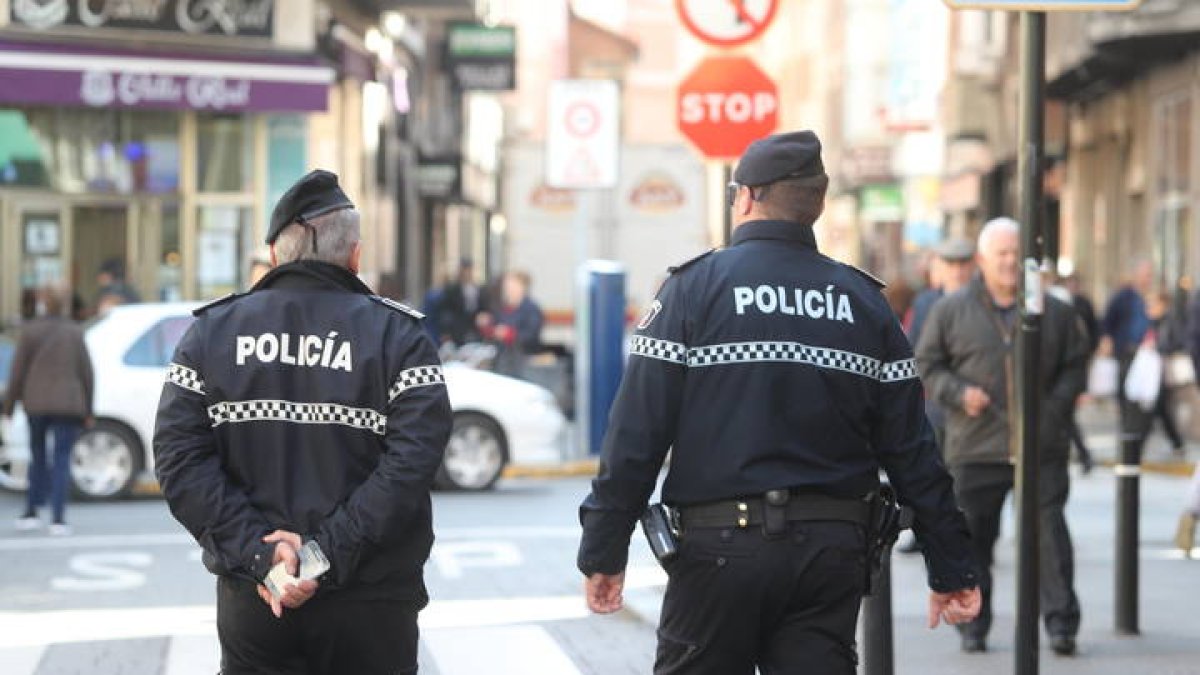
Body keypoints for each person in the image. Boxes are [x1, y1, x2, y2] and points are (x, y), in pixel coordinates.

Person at [578, 130, 981, 674]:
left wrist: (604, 550)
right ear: (815, 206)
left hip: (718, 552)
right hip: (831, 554)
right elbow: (913, 450)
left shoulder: (693, 291)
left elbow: (635, 435)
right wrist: (951, 565)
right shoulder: (864, 303)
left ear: (746, 196)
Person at [153, 170, 452, 675]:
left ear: (274, 255)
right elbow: (412, 464)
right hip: (371, 604)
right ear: (355, 255)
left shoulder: (210, 334)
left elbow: (179, 460)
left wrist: (264, 558)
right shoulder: (400, 337)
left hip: (258, 598)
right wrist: (319, 556)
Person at [916, 217, 1089, 656]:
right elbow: (927, 363)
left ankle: (1061, 625)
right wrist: (958, 393)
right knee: (975, 540)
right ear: (982, 260)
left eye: (1017, 254)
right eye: (1002, 254)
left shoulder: (1055, 310)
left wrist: (1050, 412)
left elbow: (1075, 366)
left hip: (1040, 446)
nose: (1010, 262)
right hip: (976, 445)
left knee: (1050, 538)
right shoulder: (951, 309)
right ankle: (974, 625)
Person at [2, 284, 93, 536]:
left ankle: (32, 510)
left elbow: (17, 372)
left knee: (38, 455)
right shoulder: (75, 332)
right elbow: (86, 373)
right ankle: (58, 518)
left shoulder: (31, 331)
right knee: (62, 459)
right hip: (69, 404)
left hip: (36, 403)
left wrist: (9, 406)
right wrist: (88, 408)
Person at [1143, 290, 1187, 457]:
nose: (1149, 308)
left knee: (1156, 407)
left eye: (1152, 305)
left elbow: (1178, 342)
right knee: (1160, 409)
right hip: (1153, 372)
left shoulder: (1171, 320)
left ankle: (1139, 442)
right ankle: (1177, 442)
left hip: (1164, 371)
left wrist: (1159, 348)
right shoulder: (1153, 322)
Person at [483, 271, 544, 378]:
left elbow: (532, 335)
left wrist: (510, 335)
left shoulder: (531, 309)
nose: (507, 290)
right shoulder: (503, 308)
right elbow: (494, 328)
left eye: (511, 286)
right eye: (506, 286)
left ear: (521, 287)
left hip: (523, 362)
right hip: (503, 361)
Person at [437, 258, 488, 346]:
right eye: (465, 271)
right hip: (457, 331)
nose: (467, 274)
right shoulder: (452, 290)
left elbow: (485, 308)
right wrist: (446, 332)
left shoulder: (480, 289)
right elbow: (445, 311)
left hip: (476, 330)